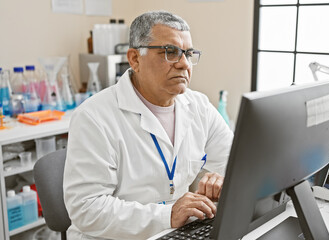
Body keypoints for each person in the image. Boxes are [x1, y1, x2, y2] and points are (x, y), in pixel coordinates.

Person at [63, 11, 233, 239]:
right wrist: (167, 215)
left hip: (176, 232)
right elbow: (87, 209)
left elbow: (234, 165)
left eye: (189, 54)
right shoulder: (94, 116)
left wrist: (221, 179)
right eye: (170, 52)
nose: (184, 64)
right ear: (135, 59)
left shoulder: (199, 106)